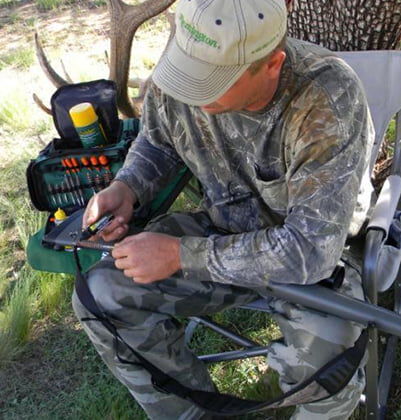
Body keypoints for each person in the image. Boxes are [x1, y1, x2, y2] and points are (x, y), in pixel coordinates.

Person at [72, 0, 375, 418]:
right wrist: (129, 186)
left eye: (210, 83)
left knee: (324, 360)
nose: (188, 91)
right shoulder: (189, 61)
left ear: (272, 65)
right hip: (224, 230)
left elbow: (310, 251)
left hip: (316, 262)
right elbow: (158, 140)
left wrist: (180, 255)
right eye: (186, 73)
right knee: (101, 296)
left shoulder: (325, 99)